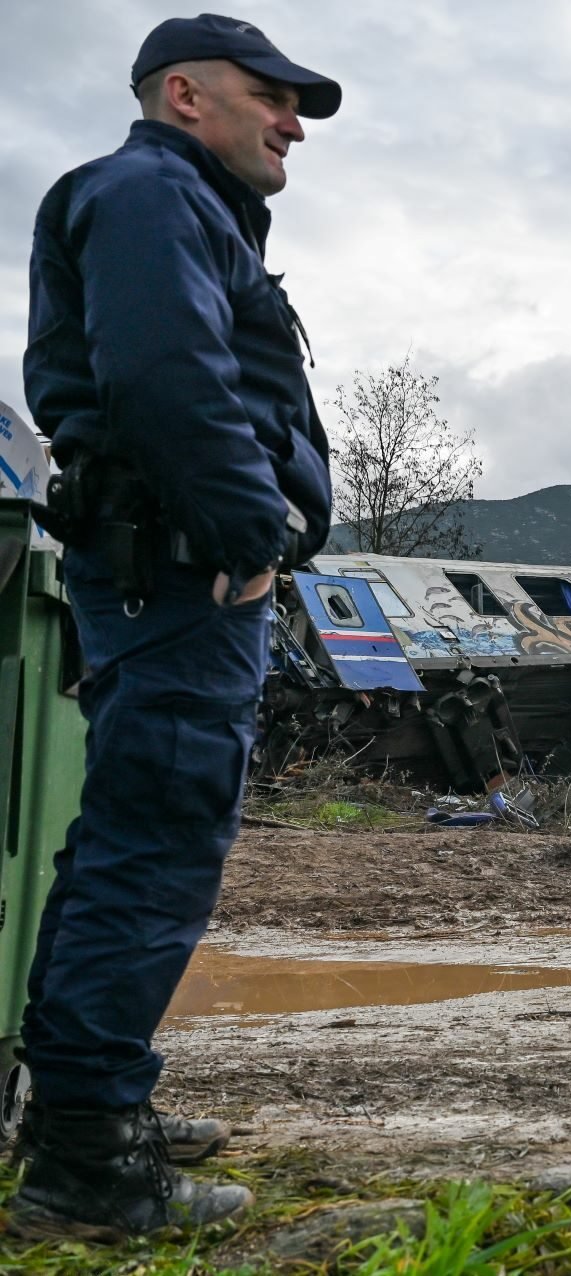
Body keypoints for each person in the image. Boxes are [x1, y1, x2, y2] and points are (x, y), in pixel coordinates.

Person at [9, 14, 338, 1242]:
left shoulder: (182, 203)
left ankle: (80, 1113)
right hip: (185, 573)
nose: (294, 123)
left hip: (169, 573)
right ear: (187, 95)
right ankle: (89, 1168)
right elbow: (162, 373)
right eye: (276, 97)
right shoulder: (150, 192)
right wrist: (252, 533)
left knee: (123, 846)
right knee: (152, 852)